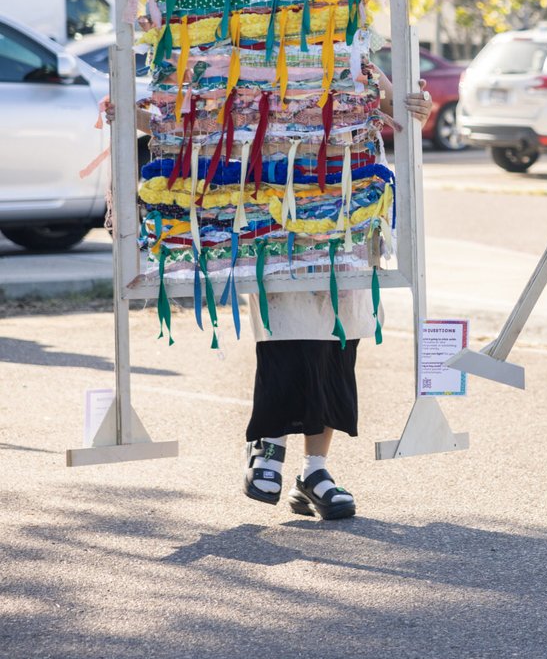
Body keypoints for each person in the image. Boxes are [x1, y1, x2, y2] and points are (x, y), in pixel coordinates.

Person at [109, 68, 431, 520]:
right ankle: (269, 448)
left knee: (337, 347)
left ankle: (314, 470)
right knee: (288, 336)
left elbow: (400, 116)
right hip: (274, 228)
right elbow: (207, 126)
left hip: (348, 221)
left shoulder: (359, 68)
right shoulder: (258, 60)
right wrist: (130, 118)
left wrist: (414, 104)